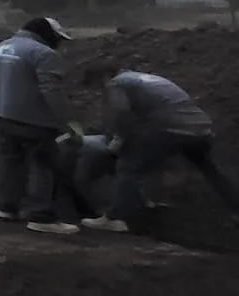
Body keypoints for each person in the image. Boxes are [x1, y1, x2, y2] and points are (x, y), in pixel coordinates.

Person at [77, 63, 239, 233]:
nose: (101, 92)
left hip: (169, 129)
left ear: (103, 77)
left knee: (130, 166)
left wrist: (117, 141)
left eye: (98, 87)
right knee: (213, 171)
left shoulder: (117, 83)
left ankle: (115, 218)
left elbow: (122, 113)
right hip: (201, 128)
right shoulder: (149, 79)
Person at [0, 16, 84, 235]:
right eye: (58, 38)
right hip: (33, 120)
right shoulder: (43, 54)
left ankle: (7, 207)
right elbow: (52, 91)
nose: (58, 43)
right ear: (48, 34)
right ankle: (41, 216)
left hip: (2, 114)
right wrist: (69, 122)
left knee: (12, 162)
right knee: (44, 165)